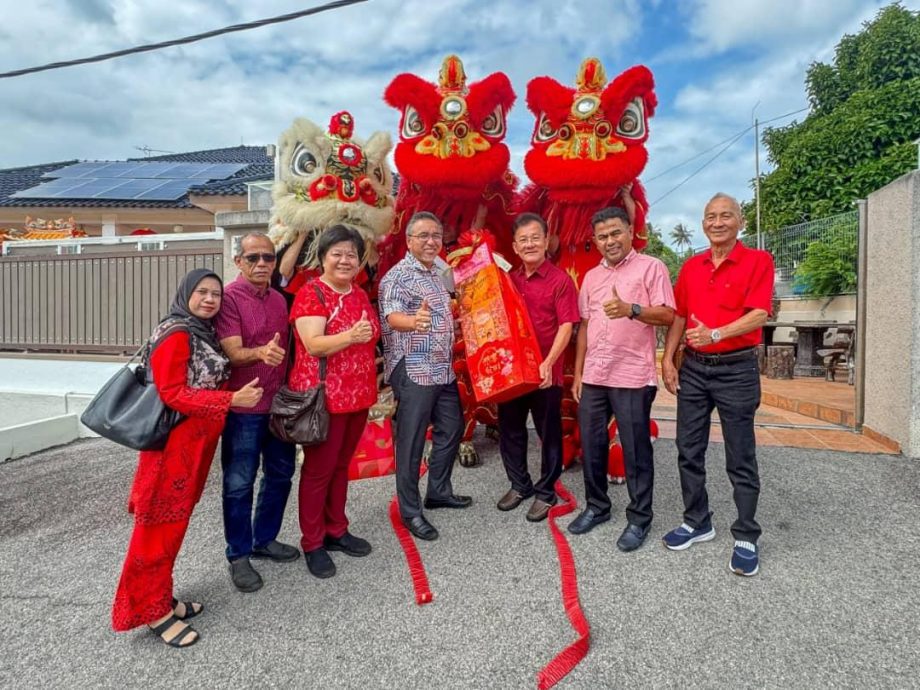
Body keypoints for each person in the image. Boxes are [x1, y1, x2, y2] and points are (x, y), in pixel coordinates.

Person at [112, 268, 263, 647]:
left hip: (192, 448)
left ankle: (161, 598)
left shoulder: (199, 331)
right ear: (186, 294)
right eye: (202, 292)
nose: (210, 299)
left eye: (216, 294)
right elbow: (173, 393)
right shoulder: (178, 333)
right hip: (171, 450)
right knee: (155, 533)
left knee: (173, 529)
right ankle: (152, 612)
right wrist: (231, 399)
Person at [661, 193, 774, 576]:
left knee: (740, 455)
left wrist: (717, 333)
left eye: (726, 215)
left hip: (737, 369)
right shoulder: (691, 267)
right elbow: (679, 316)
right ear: (703, 223)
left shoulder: (758, 261)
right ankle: (697, 520)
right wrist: (667, 358)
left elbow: (760, 313)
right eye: (711, 216)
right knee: (687, 448)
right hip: (694, 368)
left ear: (740, 221)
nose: (718, 221)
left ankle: (746, 534)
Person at [570, 207, 675, 553]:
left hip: (631, 375)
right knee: (592, 444)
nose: (609, 241)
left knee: (635, 449)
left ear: (630, 231)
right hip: (595, 375)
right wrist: (580, 370)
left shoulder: (651, 267)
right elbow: (585, 324)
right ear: (595, 241)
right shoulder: (591, 278)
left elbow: (667, 314)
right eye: (602, 236)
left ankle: (639, 517)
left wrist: (632, 309)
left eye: (615, 233)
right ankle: (597, 507)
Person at [288, 225, 380, 578]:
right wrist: (350, 336)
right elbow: (313, 344)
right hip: (324, 397)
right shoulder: (312, 293)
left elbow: (368, 337)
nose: (345, 260)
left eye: (351, 254)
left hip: (357, 395)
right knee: (318, 471)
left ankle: (336, 529)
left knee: (342, 466)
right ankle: (312, 541)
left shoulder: (357, 293)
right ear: (323, 257)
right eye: (337, 253)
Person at [215, 233, 299, 593]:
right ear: (239, 262)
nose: (262, 264)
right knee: (239, 483)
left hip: (277, 404)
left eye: (268, 257)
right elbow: (233, 352)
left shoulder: (280, 300)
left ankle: (265, 539)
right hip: (244, 406)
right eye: (253, 258)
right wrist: (260, 353)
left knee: (281, 473)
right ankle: (239, 554)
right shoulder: (229, 299)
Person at [379, 212, 468, 541]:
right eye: (423, 236)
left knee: (453, 426)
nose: (431, 241)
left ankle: (439, 491)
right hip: (414, 367)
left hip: (442, 367)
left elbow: (447, 310)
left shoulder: (439, 272)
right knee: (412, 440)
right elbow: (392, 316)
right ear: (409, 241)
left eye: (436, 235)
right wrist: (413, 322)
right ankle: (410, 511)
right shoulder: (398, 276)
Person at [496, 213, 579, 522]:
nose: (529, 244)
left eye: (535, 238)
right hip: (513, 374)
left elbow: (567, 326)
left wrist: (547, 363)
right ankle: (519, 485)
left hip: (546, 373)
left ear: (546, 242)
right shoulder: (508, 280)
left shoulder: (560, 281)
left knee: (549, 434)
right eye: (523, 240)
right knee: (511, 430)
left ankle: (546, 492)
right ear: (515, 247)